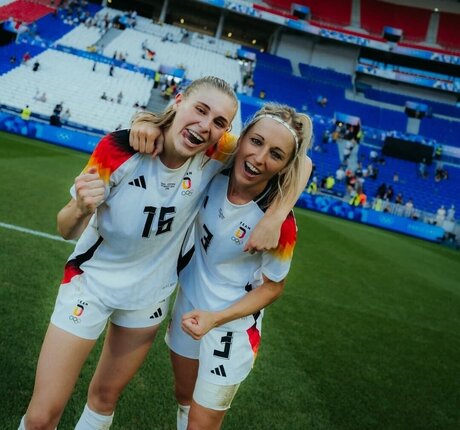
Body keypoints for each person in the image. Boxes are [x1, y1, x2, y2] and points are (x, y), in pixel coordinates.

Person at [18, 77, 309, 430]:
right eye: (200, 110)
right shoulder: (120, 147)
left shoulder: (218, 152)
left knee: (104, 400)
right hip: (90, 284)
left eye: (219, 122)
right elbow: (66, 229)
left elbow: (300, 161)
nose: (206, 126)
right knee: (41, 418)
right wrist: (81, 207)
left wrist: (276, 216)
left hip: (149, 297)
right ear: (179, 100)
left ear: (226, 132)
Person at [164, 104, 312, 430]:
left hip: (231, 330)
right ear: (241, 138)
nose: (259, 158)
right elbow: (173, 126)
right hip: (188, 306)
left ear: (285, 166)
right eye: (256, 142)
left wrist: (276, 216)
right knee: (184, 398)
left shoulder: (282, 226)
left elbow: (273, 287)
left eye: (276, 154)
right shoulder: (219, 162)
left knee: (201, 424)